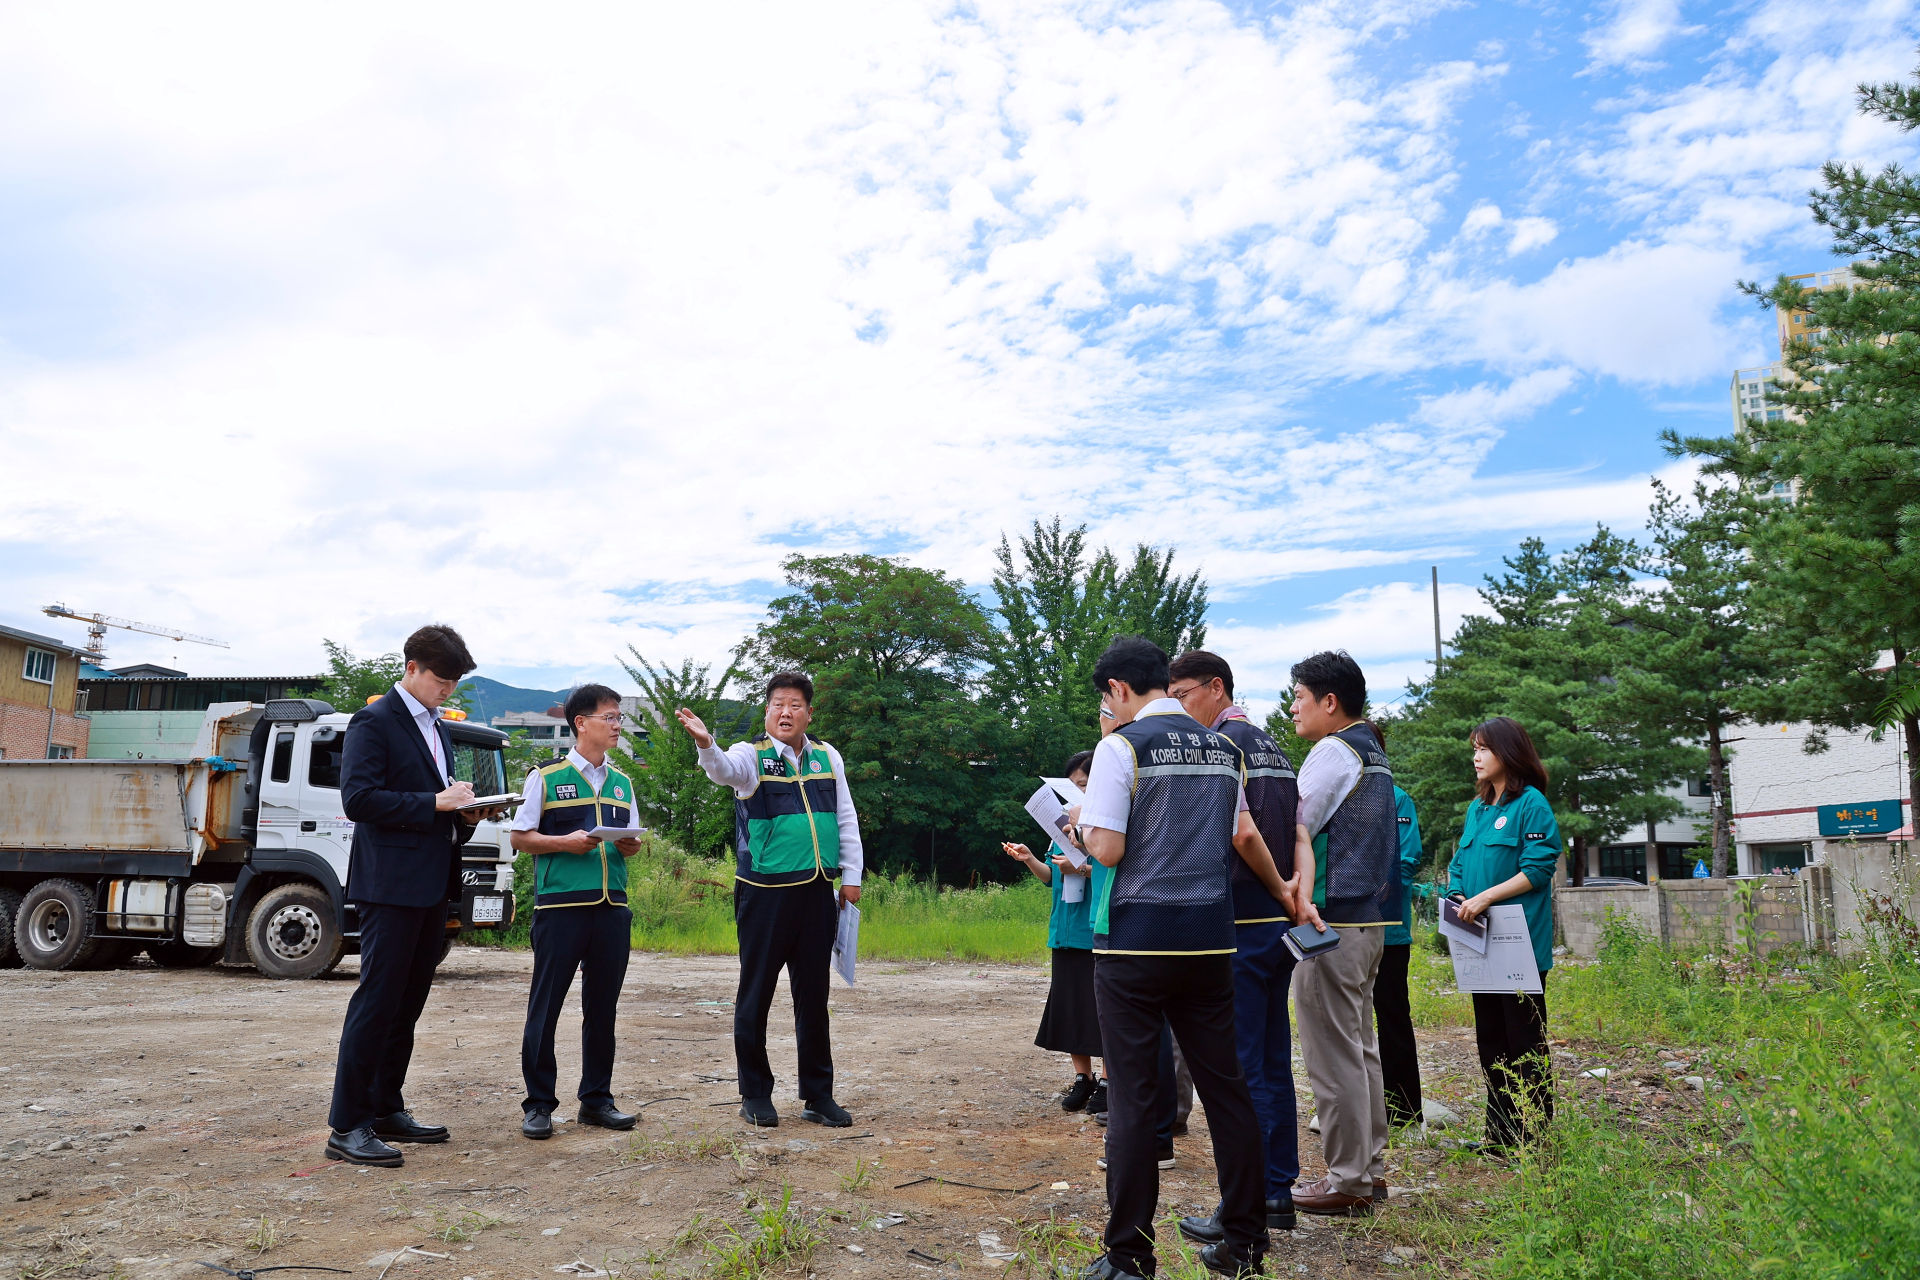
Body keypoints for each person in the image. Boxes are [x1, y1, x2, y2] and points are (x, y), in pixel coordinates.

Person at [1079, 636, 1290, 1280]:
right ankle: (1244, 1242)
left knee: (1138, 1098)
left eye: (1104, 699)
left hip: (1136, 942)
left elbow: (1109, 848)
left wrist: (1080, 827)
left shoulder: (1121, 748)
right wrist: (1285, 892)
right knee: (1225, 1086)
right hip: (1210, 939)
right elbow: (1243, 833)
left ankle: (1130, 1257)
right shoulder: (1227, 748)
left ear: (1118, 689)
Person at [326, 624, 500, 1168]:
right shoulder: (373, 721)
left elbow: (438, 804)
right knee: (377, 1001)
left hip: (431, 881)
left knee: (408, 1003)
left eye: (454, 682)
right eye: (440, 679)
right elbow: (359, 799)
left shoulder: (438, 728)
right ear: (412, 668)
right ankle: (347, 1124)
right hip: (390, 886)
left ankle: (385, 1107)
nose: (447, 690)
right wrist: (435, 803)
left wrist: (466, 814)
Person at [677, 672, 863, 1130]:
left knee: (813, 998)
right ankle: (755, 1093)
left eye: (795, 704)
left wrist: (852, 877)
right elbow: (723, 770)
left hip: (817, 891)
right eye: (778, 703)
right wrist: (705, 744)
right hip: (764, 895)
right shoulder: (749, 756)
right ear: (766, 711)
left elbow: (846, 816)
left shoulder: (827, 756)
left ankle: (818, 1096)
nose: (786, 712)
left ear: (808, 713)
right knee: (755, 993)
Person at [1166, 650, 1302, 1248]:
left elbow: (1240, 833)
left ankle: (1242, 1204)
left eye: (1184, 694)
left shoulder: (1222, 748)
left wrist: (1274, 887)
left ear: (1215, 688)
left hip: (1241, 920)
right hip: (1280, 923)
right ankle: (1276, 1190)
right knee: (1273, 1060)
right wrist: (1296, 894)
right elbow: (1299, 828)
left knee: (1239, 1067)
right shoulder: (1273, 744)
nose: (1179, 707)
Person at [1285, 651, 1402, 1216]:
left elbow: (1294, 826)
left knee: (1333, 1058)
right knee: (1360, 1051)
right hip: (1367, 922)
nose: (1292, 709)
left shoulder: (1332, 751)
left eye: (1300, 698)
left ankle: (1347, 1180)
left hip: (1328, 923)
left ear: (1330, 702)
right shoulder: (1373, 753)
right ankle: (1368, 1171)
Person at [511, 684, 646, 1139]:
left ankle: (596, 1100)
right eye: (609, 717)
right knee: (545, 1007)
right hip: (561, 908)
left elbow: (631, 843)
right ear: (581, 723)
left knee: (602, 1009)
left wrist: (630, 846)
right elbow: (520, 837)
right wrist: (564, 844)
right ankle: (539, 1104)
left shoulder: (623, 782)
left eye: (618, 718)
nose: (616, 726)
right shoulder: (545, 777)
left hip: (612, 908)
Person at [1449, 716, 1559, 1150]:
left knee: (1525, 1042)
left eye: (1483, 749)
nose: (1475, 757)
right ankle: (1500, 1134)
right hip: (1479, 941)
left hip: (1519, 946)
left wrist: (1486, 898)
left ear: (1508, 753)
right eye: (1474, 748)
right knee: (1490, 1040)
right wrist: (1458, 893)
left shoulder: (1531, 804)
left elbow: (1537, 868)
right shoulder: (1478, 809)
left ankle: (1535, 1137)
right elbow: (1460, 863)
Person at [1001, 749, 1107, 1113]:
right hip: (1063, 932)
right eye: (1073, 784)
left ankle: (1109, 1081)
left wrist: (1083, 870)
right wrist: (1030, 858)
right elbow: (1052, 878)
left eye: (1085, 784)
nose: (1078, 790)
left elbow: (1114, 874)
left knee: (1101, 1009)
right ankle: (1084, 1078)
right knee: (1072, 1006)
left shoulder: (1106, 826)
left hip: (1094, 931)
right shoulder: (1061, 829)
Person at [1371, 720, 1426, 1133]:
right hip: (1341, 932)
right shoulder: (1335, 795)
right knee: (1348, 1024)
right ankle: (1361, 1108)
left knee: (1392, 1018)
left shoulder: (1397, 798)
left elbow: (1406, 862)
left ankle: (1405, 1111)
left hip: (1387, 931)